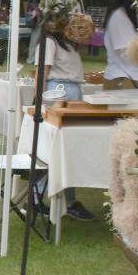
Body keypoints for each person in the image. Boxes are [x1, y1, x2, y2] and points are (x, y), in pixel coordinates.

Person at [35, 13, 93, 221]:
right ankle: (36, 195)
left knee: (69, 150)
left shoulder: (66, 44)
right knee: (57, 150)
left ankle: (69, 200)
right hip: (59, 93)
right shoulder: (49, 43)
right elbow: (42, 72)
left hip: (72, 92)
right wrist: (40, 101)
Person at [103, 0, 138, 90]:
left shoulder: (136, 16)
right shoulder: (119, 16)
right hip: (124, 80)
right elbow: (130, 53)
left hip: (137, 80)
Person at [26, 0, 45, 64]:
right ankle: (31, 59)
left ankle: (35, 59)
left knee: (37, 41)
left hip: (39, 20)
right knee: (35, 41)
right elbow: (32, 8)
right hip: (38, 20)